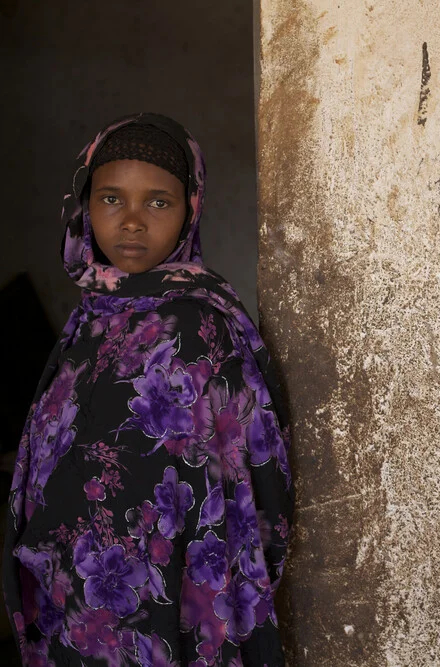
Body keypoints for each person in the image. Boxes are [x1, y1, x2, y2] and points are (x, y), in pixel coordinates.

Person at [2, 113, 293, 665]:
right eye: (112, 199)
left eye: (158, 202)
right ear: (84, 208)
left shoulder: (202, 327)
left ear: (190, 210)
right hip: (73, 601)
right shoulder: (88, 323)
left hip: (164, 604)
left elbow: (253, 481)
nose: (132, 221)